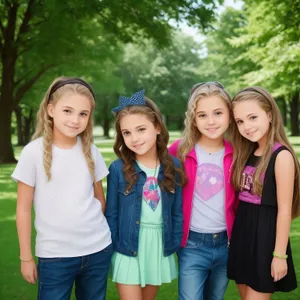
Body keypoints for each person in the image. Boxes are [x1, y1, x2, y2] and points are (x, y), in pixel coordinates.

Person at [12, 77, 113, 300]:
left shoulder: (91, 152)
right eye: (67, 111)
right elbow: (23, 210)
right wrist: (26, 257)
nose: (75, 120)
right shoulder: (32, 153)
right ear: (50, 109)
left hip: (98, 250)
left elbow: (100, 199)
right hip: (55, 256)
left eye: (83, 114)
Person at [105, 89, 186, 300]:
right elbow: (111, 213)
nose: (134, 138)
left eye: (141, 129)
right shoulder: (117, 168)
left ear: (157, 127)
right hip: (128, 246)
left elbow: (177, 212)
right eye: (127, 133)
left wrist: (174, 242)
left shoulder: (173, 166)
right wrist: (113, 247)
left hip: (158, 245)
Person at [227, 86, 299, 299]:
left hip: (266, 240)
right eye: (240, 121)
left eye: (252, 117)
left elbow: (285, 210)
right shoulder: (247, 152)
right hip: (243, 236)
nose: (246, 126)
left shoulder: (281, 156)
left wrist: (279, 255)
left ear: (269, 114)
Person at [169, 82, 238, 300]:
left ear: (229, 115)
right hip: (192, 244)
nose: (211, 121)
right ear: (194, 119)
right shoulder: (179, 150)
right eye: (202, 115)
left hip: (226, 243)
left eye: (218, 113)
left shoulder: (238, 153)